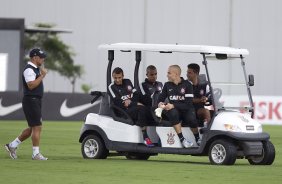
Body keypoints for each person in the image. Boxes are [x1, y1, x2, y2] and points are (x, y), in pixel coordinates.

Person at [4, 48, 48, 160]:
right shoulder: (29, 70)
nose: (43, 59)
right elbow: (31, 85)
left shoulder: (35, 69)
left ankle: (12, 145)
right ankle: (35, 154)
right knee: (37, 127)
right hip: (31, 100)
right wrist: (42, 76)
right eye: (41, 57)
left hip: (35, 100)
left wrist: (41, 74)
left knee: (32, 128)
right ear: (34, 57)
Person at [108, 67, 155, 147]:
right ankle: (145, 137)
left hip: (133, 107)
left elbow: (136, 94)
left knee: (151, 109)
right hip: (123, 112)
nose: (117, 80)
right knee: (142, 109)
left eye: (119, 77)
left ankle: (156, 137)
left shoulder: (127, 82)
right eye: (115, 78)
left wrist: (132, 102)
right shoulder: (111, 87)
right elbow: (119, 103)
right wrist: (134, 103)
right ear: (113, 77)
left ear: (123, 76)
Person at [157, 65, 201, 147]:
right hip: (175, 111)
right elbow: (160, 98)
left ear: (176, 74)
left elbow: (188, 104)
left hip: (186, 109)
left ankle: (198, 138)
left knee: (191, 119)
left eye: (169, 73)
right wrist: (160, 103)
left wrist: (173, 105)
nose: (167, 75)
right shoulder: (167, 85)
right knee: (173, 112)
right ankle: (182, 140)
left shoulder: (187, 85)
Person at [187, 63, 211, 127]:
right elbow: (189, 100)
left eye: (189, 73)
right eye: (187, 72)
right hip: (189, 110)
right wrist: (200, 100)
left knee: (215, 113)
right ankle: (208, 131)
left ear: (196, 73)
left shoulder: (204, 85)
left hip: (199, 109)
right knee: (206, 112)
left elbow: (210, 95)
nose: (187, 75)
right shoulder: (186, 85)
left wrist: (207, 98)